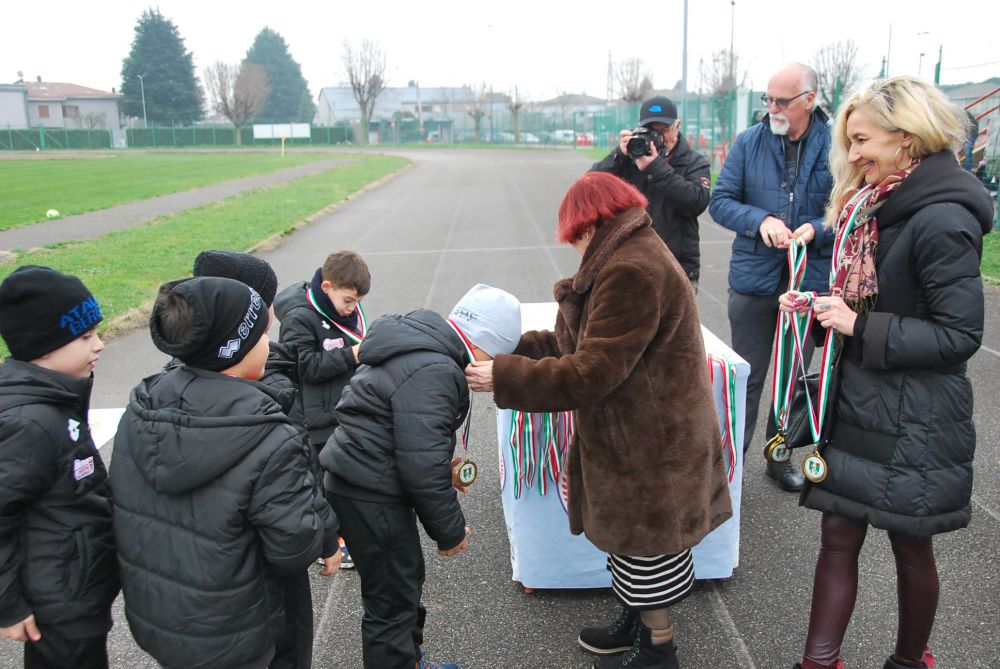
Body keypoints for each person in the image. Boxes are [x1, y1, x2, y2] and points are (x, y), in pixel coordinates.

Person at [465, 173, 732, 669]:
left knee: (648, 550)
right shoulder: (625, 255)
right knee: (634, 549)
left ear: (588, 224)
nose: (572, 245)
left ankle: (658, 650)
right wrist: (510, 350)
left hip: (652, 445)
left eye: (573, 235)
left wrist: (503, 375)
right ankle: (635, 624)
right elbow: (579, 344)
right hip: (642, 434)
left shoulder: (630, 270)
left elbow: (591, 372)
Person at [781, 76, 992, 669]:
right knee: (837, 537)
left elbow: (959, 336)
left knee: (910, 545)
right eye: (849, 141)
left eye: (862, 140)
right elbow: (870, 302)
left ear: (907, 137)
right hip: (860, 401)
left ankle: (908, 661)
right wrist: (821, 312)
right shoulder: (874, 205)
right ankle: (818, 662)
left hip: (917, 416)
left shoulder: (943, 218)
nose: (852, 155)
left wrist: (857, 325)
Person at [110, 276, 341, 669]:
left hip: (162, 619)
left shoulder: (141, 410)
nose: (269, 344)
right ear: (234, 348)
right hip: (239, 628)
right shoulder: (267, 435)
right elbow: (292, 545)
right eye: (261, 336)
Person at [320, 284, 523, 669]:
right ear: (484, 342)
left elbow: (404, 438)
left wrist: (441, 466)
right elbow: (419, 466)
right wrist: (450, 531)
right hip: (371, 492)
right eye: (497, 356)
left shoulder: (421, 349)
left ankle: (411, 660)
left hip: (360, 479)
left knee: (402, 582)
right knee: (391, 600)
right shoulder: (437, 369)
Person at [192, 250, 338, 669]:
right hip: (267, 569)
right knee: (285, 646)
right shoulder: (267, 391)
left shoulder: (162, 391)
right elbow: (296, 472)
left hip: (202, 576)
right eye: (267, 302)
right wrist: (326, 534)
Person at [708, 63, 835, 492]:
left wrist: (817, 228)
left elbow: (849, 207)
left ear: (809, 100)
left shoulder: (836, 145)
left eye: (782, 101)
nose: (773, 108)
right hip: (755, 279)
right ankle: (728, 467)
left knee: (794, 378)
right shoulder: (749, 142)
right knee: (746, 375)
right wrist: (760, 220)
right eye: (769, 99)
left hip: (808, 279)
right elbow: (720, 201)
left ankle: (778, 456)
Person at [0, 266, 119, 669]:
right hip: (60, 599)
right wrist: (8, 604)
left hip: (77, 584)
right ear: (44, 347)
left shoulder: (58, 397)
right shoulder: (29, 424)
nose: (99, 345)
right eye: (85, 337)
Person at [274, 250, 371, 569]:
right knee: (323, 483)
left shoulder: (344, 308)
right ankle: (329, 543)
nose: (352, 308)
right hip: (315, 420)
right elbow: (301, 366)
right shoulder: (300, 318)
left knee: (346, 477)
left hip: (343, 409)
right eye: (348, 301)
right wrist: (351, 355)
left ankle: (346, 534)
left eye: (357, 302)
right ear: (327, 287)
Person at [590, 95, 711, 290]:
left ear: (677, 126)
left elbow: (697, 202)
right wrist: (618, 156)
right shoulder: (629, 158)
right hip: (631, 265)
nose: (658, 137)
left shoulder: (693, 161)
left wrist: (655, 167)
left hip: (676, 268)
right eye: (652, 130)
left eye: (664, 130)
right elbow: (590, 187)